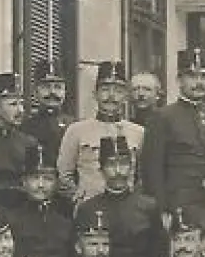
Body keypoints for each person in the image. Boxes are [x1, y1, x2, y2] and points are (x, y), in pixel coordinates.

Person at [138, 47, 205, 215]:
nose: (199, 82)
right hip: (177, 206)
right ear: (179, 80)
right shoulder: (162, 117)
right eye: (192, 76)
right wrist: (162, 211)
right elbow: (152, 171)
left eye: (204, 76)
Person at [74, 136, 168, 257]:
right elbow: (77, 254)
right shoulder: (88, 209)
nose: (118, 171)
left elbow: (159, 255)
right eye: (111, 165)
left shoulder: (148, 206)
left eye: (123, 164)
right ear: (101, 169)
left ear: (131, 167)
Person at [57, 61, 145, 203]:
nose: (111, 96)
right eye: (105, 89)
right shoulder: (76, 130)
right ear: (95, 94)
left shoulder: (139, 133)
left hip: (126, 207)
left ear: (125, 96)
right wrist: (80, 198)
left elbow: (143, 176)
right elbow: (64, 174)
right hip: (89, 207)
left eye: (118, 91)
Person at [0, 144, 75, 257]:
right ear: (24, 182)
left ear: (57, 182)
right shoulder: (10, 217)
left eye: (48, 179)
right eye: (35, 178)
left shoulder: (67, 213)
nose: (41, 185)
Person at [21, 58, 76, 162]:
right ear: (35, 92)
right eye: (46, 87)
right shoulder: (24, 129)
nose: (52, 92)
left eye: (58, 87)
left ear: (65, 92)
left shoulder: (75, 127)